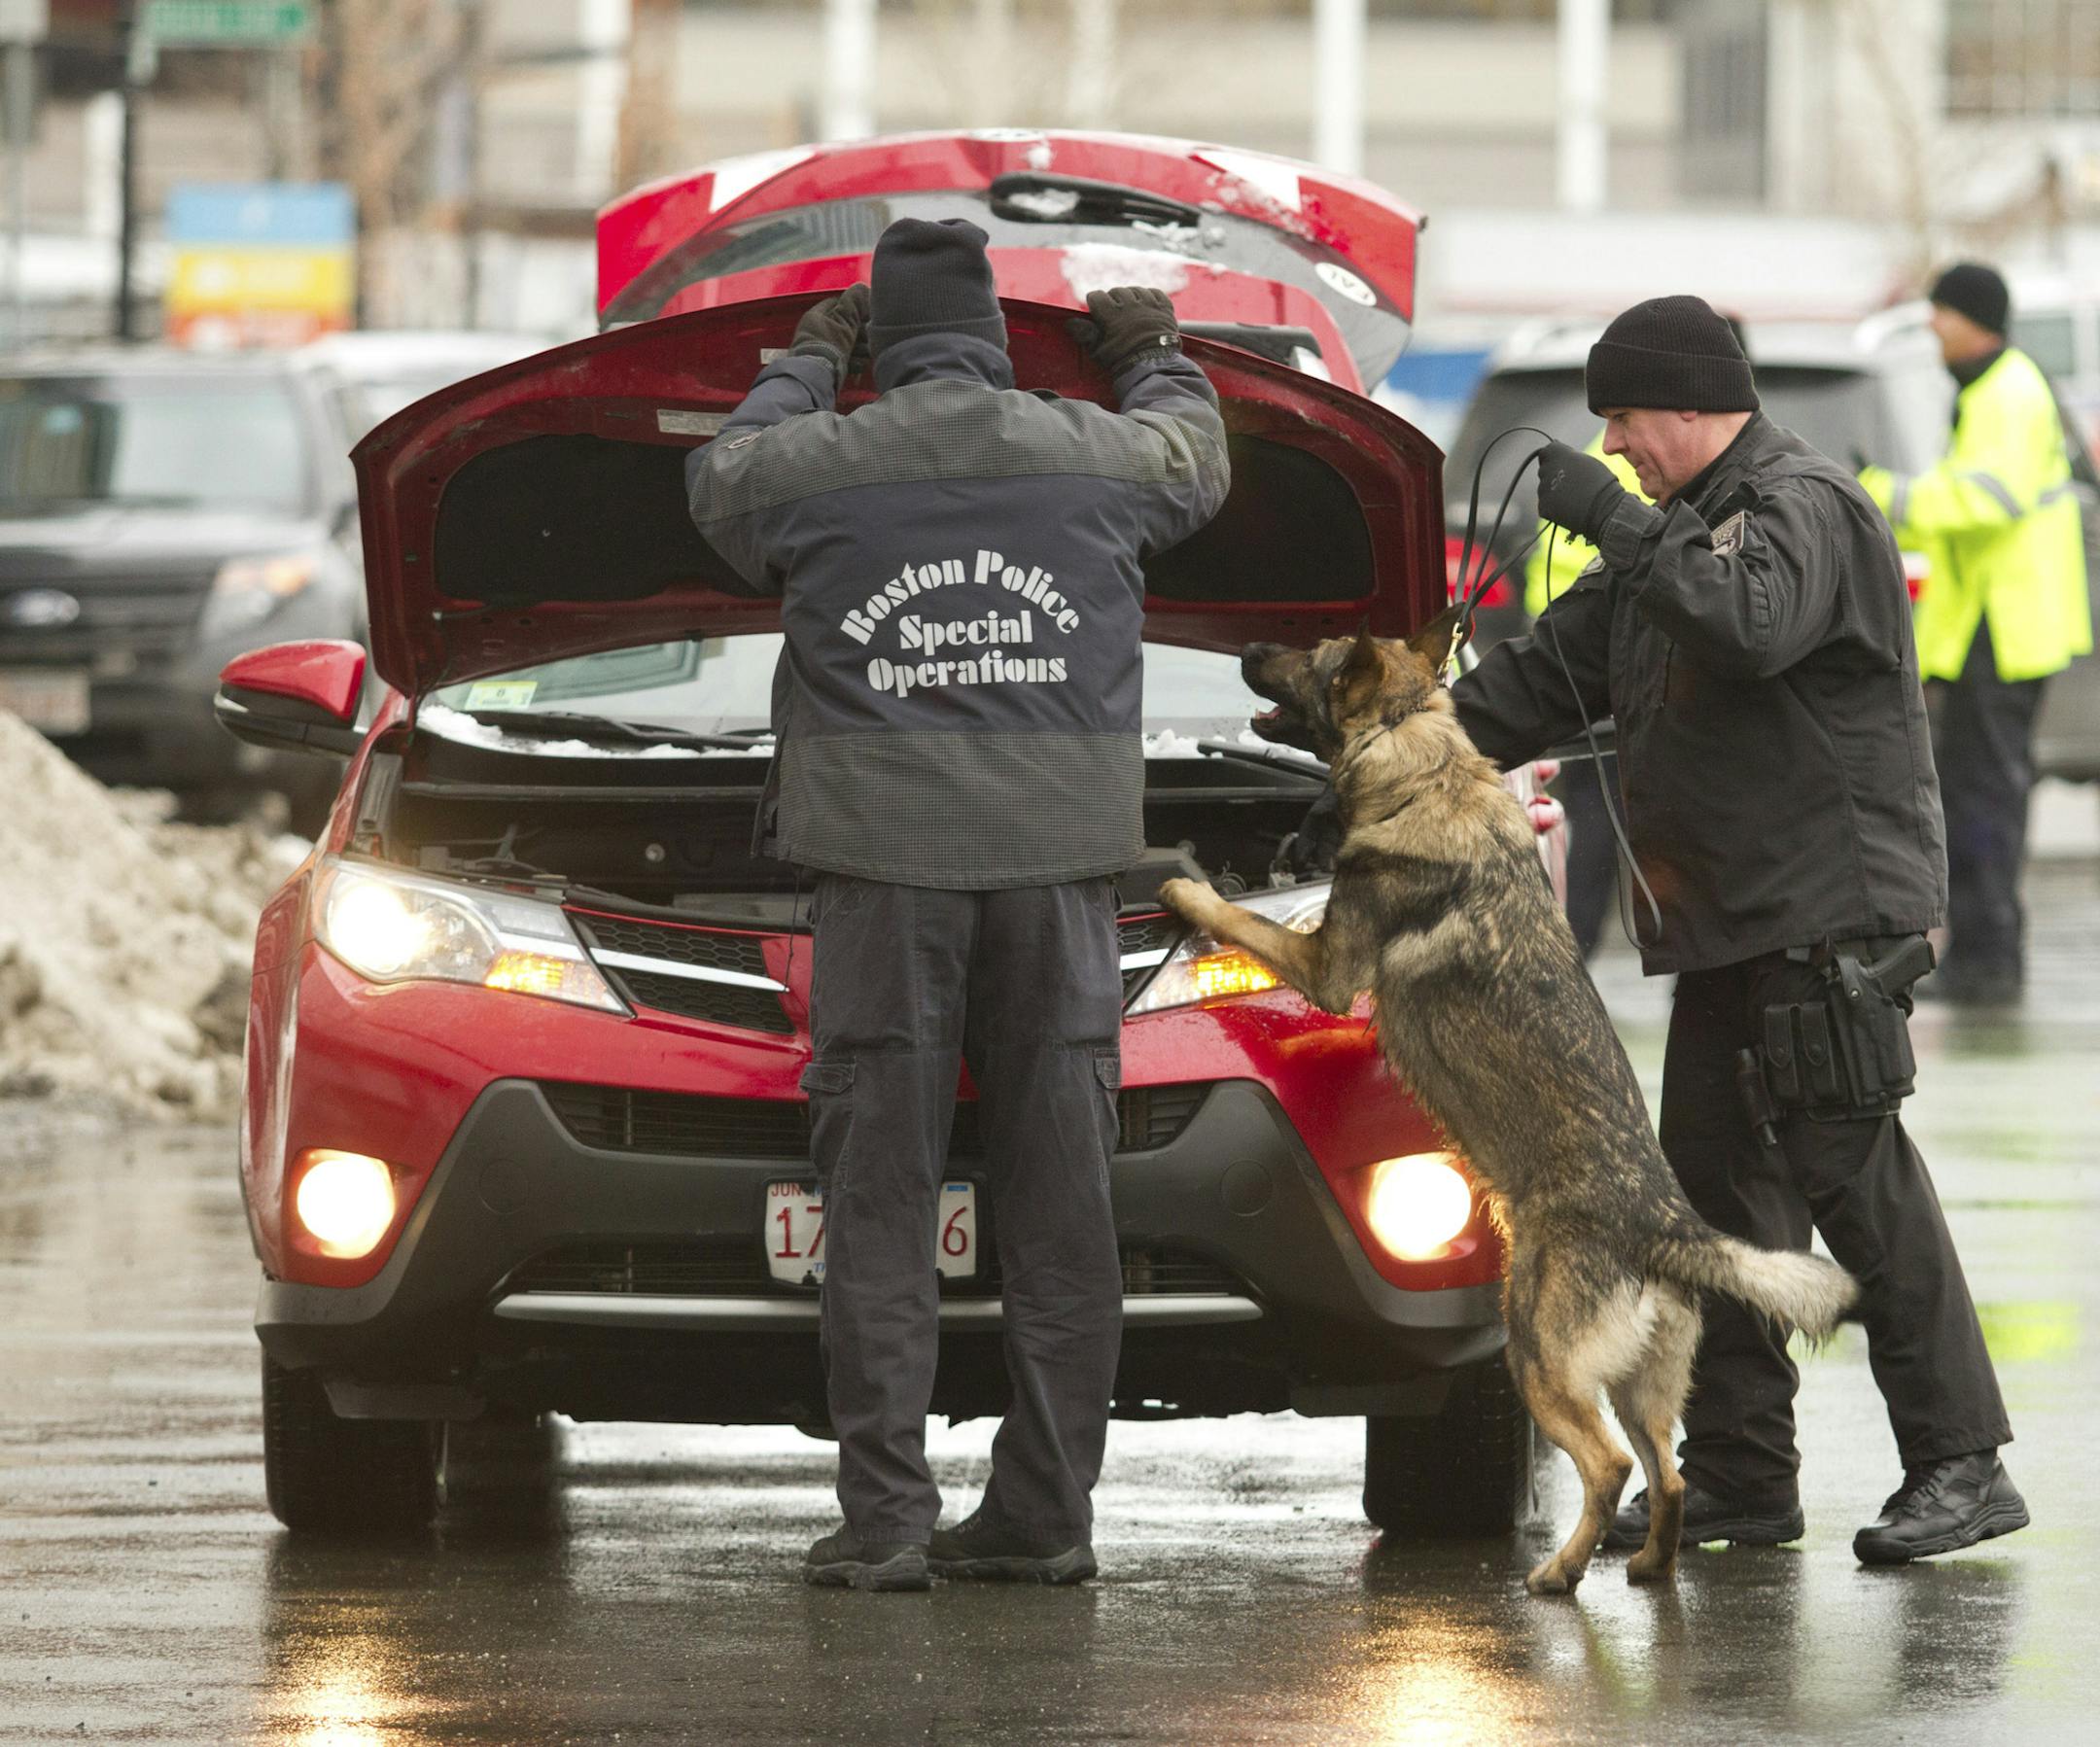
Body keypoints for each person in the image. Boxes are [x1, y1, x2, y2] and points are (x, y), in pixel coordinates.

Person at [684, 219, 1230, 1590]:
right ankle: (1046, 1515)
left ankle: (883, 1527)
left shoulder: (825, 461)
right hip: (1060, 881)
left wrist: (804, 366)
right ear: (990, 335)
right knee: (1063, 1214)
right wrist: (1152, 351)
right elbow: (1198, 458)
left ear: (883, 341)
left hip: (885, 880)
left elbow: (719, 481)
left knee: (878, 1210)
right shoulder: (1088, 451)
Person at [1452, 295, 2026, 1566]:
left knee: (1855, 1178)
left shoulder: (1800, 506)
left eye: (1622, 419)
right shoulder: (1681, 536)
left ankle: (1961, 1463)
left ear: (1690, 403)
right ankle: (1744, 1482)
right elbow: (1550, 676)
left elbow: (1748, 625)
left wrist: (1615, 520)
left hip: (1828, 912)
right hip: (1727, 926)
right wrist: (1383, 738)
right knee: (1718, 1202)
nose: (1611, 447)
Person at [1860, 262, 2093, 1006]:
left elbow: (1984, 502)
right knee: (1977, 793)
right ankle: (1984, 948)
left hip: (2008, 628)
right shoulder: (1991, 389)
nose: (1931, 323)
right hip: (1994, 629)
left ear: (1973, 319)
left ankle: (1988, 956)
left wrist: (1885, 493)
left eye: (1940, 311)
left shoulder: (2008, 393)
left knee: (1984, 797)